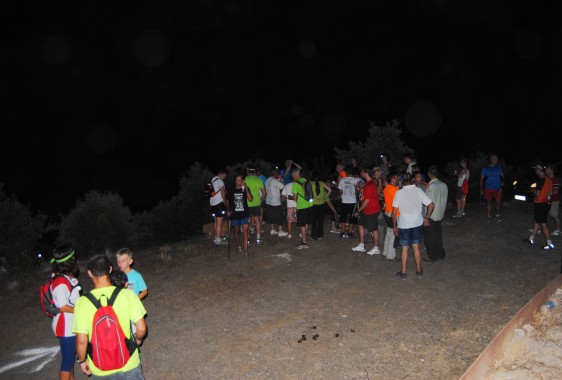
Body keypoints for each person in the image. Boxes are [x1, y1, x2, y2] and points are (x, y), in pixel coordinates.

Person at [73, 254, 147, 379]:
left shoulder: (82, 302)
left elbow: (81, 340)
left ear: (90, 273)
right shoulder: (127, 295)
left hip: (100, 367)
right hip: (129, 362)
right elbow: (142, 328)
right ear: (110, 269)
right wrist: (137, 339)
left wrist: (82, 360)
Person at [392, 172, 435, 280]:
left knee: (405, 249)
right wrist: (426, 218)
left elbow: (393, 213)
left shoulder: (399, 193)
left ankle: (404, 273)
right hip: (417, 223)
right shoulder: (418, 190)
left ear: (402, 181)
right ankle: (419, 271)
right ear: (413, 180)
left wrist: (394, 226)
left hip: (404, 224)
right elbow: (431, 205)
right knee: (416, 247)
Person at [49, 244, 82, 380]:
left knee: (70, 358)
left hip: (70, 323)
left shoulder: (64, 276)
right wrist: (81, 310)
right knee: (67, 362)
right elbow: (62, 306)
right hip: (65, 326)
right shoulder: (60, 282)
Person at [351, 168, 382, 255]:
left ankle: (376, 248)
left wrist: (359, 210)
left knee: (374, 229)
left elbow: (367, 200)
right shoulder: (368, 183)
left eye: (362, 172)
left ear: (366, 173)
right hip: (366, 209)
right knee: (360, 225)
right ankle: (361, 245)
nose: (361, 173)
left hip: (372, 209)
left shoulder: (370, 184)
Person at [525, 165, 555, 250]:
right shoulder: (548, 179)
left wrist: (533, 192)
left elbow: (537, 194)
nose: (535, 171)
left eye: (536, 170)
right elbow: (550, 193)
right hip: (546, 203)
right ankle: (531, 238)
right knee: (536, 221)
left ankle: (549, 243)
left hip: (540, 203)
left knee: (543, 224)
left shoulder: (541, 180)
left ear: (538, 170)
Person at [423, 166, 448, 262]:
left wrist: (426, 217)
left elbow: (430, 204)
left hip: (432, 215)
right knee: (438, 235)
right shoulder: (443, 184)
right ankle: (440, 254)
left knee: (429, 237)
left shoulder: (431, 187)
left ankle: (433, 256)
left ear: (429, 174)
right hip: (440, 214)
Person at [226, 174, 254, 257]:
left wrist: (245, 188)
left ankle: (246, 252)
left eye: (241, 180)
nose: (239, 182)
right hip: (235, 215)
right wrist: (228, 210)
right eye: (238, 180)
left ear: (243, 181)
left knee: (245, 232)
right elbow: (227, 202)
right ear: (235, 181)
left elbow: (250, 199)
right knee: (236, 232)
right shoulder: (231, 190)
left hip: (244, 214)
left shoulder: (245, 189)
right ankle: (239, 246)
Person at [292, 168, 313, 249]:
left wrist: (291, 198)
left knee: (302, 224)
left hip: (302, 206)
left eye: (293, 175)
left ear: (295, 174)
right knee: (306, 223)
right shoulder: (306, 180)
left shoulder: (295, 184)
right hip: (309, 204)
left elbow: (294, 198)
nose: (292, 177)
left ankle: (304, 243)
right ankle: (305, 240)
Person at [338, 166, 362, 238]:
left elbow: (340, 191)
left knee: (343, 217)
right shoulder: (357, 180)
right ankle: (350, 232)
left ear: (347, 173)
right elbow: (360, 187)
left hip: (344, 201)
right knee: (352, 217)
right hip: (353, 202)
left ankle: (342, 232)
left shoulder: (342, 180)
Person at [245, 164, 266, 244]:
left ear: (247, 171)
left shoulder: (245, 180)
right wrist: (260, 200)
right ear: (254, 171)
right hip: (257, 203)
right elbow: (264, 193)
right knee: (257, 220)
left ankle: (248, 239)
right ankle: (258, 238)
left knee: (248, 221)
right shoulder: (258, 180)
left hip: (248, 203)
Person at [480, 153, 504, 223]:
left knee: (498, 202)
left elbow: (503, 176)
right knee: (489, 202)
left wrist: (503, 181)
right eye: (494, 159)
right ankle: (488, 216)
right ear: (491, 159)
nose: (496, 160)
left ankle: (497, 215)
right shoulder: (485, 168)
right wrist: (481, 189)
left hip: (497, 188)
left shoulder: (498, 168)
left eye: (496, 159)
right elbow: (481, 179)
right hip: (488, 188)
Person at [382, 173, 401, 261]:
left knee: (389, 233)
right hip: (394, 214)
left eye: (397, 178)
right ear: (390, 179)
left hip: (387, 212)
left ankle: (385, 252)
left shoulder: (387, 188)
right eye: (394, 178)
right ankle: (391, 255)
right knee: (394, 234)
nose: (396, 180)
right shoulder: (394, 189)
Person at [265, 168, 288, 237]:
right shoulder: (275, 181)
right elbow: (283, 187)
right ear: (276, 175)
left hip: (269, 201)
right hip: (276, 202)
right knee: (279, 216)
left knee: (271, 215)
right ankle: (280, 231)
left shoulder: (267, 180)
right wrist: (281, 180)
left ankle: (272, 230)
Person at [310, 172, 332, 240]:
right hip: (322, 204)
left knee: (314, 221)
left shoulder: (310, 183)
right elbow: (330, 190)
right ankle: (320, 235)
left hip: (314, 204)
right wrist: (325, 197)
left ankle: (314, 236)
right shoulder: (322, 183)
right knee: (320, 220)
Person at [209, 168, 228, 245]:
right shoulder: (220, 181)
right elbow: (223, 193)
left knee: (216, 221)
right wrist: (224, 201)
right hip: (219, 203)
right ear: (222, 174)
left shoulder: (213, 180)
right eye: (225, 176)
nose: (224, 178)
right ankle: (218, 240)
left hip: (212, 203)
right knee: (220, 222)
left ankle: (216, 237)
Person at [546, 164, 561, 236]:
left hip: (554, 200)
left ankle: (558, 230)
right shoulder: (547, 179)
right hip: (547, 200)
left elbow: (556, 191)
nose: (546, 170)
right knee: (542, 214)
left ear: (551, 170)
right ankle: (538, 228)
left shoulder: (555, 180)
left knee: (555, 215)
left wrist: (547, 193)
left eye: (548, 169)